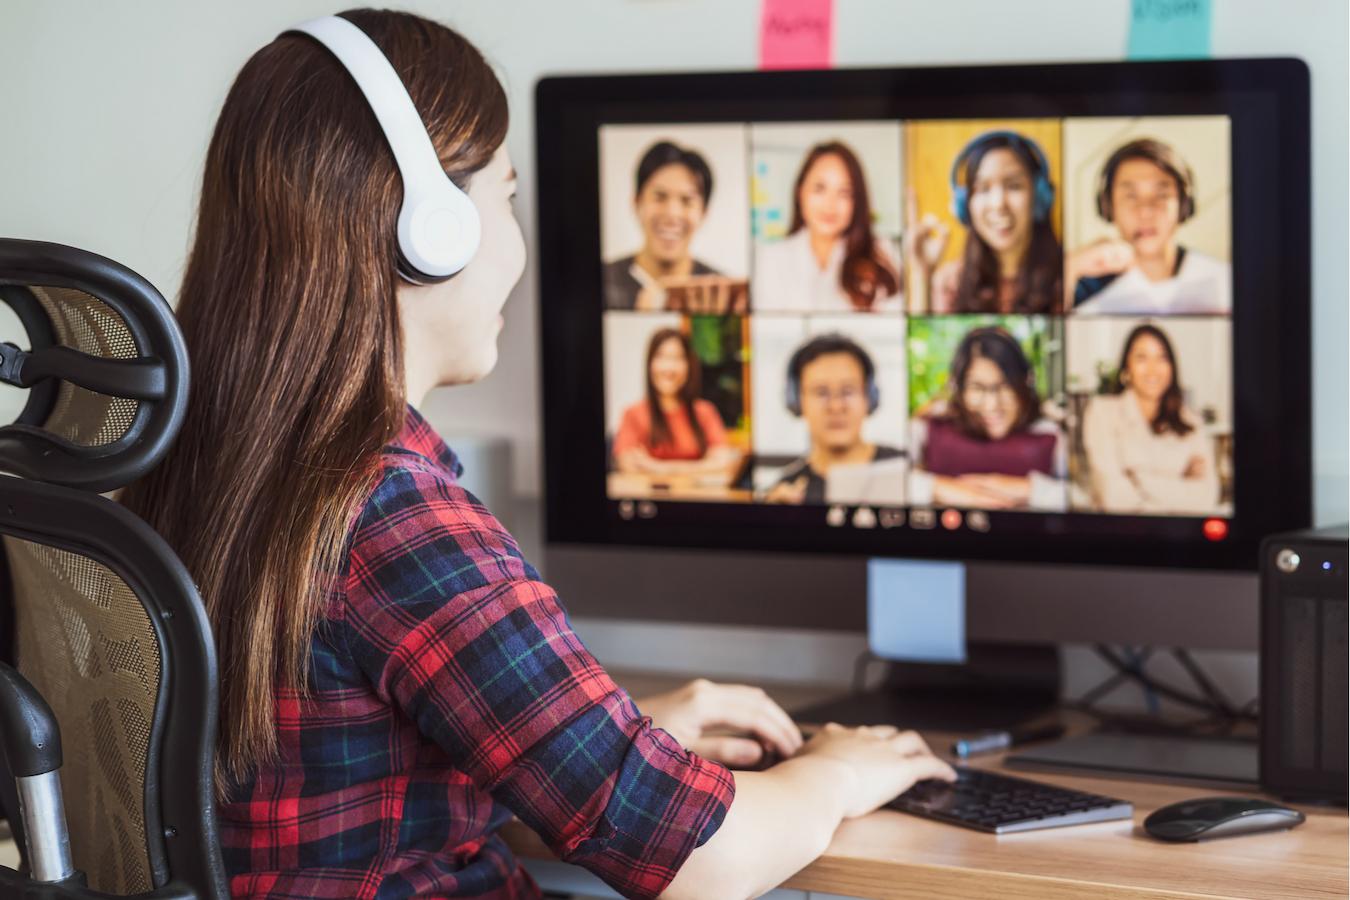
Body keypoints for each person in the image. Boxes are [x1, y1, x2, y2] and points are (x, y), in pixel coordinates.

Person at [118, 11, 952, 899]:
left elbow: (347, 763)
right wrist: (838, 771)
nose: (517, 240)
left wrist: (608, 733)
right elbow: (707, 860)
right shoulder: (393, 515)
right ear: (428, 231)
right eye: (507, 197)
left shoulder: (188, 456)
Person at [909, 327, 1067, 511]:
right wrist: (939, 488)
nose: (992, 405)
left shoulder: (1050, 432)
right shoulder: (930, 424)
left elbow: (1086, 497)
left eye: (1005, 386)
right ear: (957, 387)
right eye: (977, 388)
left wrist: (1030, 489)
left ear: (1026, 381)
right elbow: (885, 477)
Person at [1068, 138, 1231, 315]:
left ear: (1183, 204)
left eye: (1161, 195)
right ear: (1108, 205)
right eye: (1131, 196)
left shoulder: (1223, 280)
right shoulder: (1080, 288)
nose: (1145, 212)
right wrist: (1070, 267)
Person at [908, 130, 1063, 314]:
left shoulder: (1067, 276)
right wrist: (922, 274)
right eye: (982, 189)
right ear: (965, 205)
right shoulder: (949, 283)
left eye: (1014, 186)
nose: (998, 204)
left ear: (1039, 197)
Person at [1080, 323, 1221, 514]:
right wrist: (1180, 481)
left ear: (1172, 366)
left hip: (1180, 538)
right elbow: (1113, 498)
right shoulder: (1102, 412)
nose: (1153, 369)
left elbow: (1206, 498)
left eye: (1162, 358)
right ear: (1126, 368)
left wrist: (1139, 478)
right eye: (1142, 358)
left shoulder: (1191, 421)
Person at [753, 141, 902, 313]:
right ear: (800, 191)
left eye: (844, 193)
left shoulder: (882, 253)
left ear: (857, 201)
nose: (830, 205)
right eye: (819, 189)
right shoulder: (771, 258)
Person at [603, 140, 746, 313]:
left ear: (703, 213)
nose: (672, 214)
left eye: (687, 201)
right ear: (636, 203)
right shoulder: (603, 280)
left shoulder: (723, 292)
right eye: (659, 197)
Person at [767, 334, 905, 505]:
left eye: (848, 391)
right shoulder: (784, 490)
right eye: (821, 392)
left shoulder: (905, 469)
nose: (836, 407)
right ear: (796, 400)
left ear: (869, 397)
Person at [612, 327, 743, 482]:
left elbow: (724, 463)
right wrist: (701, 467)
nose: (669, 367)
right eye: (661, 357)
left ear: (689, 366)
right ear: (649, 364)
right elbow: (628, 466)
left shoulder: (705, 411)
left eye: (677, 358)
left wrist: (659, 468)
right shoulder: (633, 413)